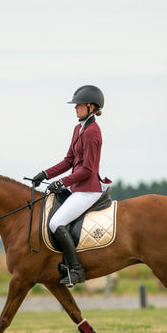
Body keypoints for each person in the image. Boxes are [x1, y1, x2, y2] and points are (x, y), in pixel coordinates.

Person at [32, 85, 111, 286]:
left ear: (91, 106)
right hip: (77, 189)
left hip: (88, 190)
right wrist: (46, 174)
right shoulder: (79, 128)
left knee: (55, 223)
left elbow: (88, 170)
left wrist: (62, 181)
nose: (75, 108)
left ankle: (76, 270)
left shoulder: (93, 132)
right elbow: (69, 161)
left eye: (79, 105)